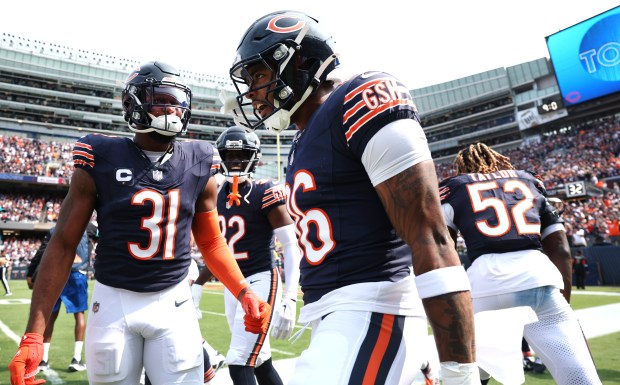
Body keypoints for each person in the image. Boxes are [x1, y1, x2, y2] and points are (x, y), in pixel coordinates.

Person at [226, 11, 478, 385]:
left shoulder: (359, 98)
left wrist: (461, 370)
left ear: (300, 63)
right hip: (337, 315)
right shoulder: (302, 139)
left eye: (259, 76)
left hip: (374, 307)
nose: (251, 93)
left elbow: (432, 235)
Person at [9, 61, 271, 385]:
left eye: (177, 102)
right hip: (113, 300)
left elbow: (212, 241)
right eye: (162, 99)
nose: (172, 110)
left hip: (174, 300)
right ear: (134, 103)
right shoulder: (100, 156)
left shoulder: (200, 159)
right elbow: (63, 243)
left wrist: (244, 291)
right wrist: (34, 335)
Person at [439, 142, 602, 384]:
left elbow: (443, 248)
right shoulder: (529, 181)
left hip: (484, 285)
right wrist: (560, 303)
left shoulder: (454, 187)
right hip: (537, 279)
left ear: (463, 166)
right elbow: (560, 249)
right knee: (580, 379)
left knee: (472, 373)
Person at [194, 125, 302, 385]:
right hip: (232, 285)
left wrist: (289, 296)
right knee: (260, 360)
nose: (235, 161)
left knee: (239, 360)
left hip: (261, 278)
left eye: (241, 155)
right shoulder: (214, 193)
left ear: (253, 157)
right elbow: (218, 246)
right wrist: (198, 284)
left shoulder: (264, 191)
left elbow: (290, 245)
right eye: (229, 156)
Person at [26, 222, 98, 373]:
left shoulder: (56, 228)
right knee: (79, 314)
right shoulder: (89, 227)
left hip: (57, 273)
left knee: (50, 316)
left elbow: (42, 251)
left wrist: (30, 272)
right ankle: (76, 359)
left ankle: (43, 360)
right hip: (78, 273)